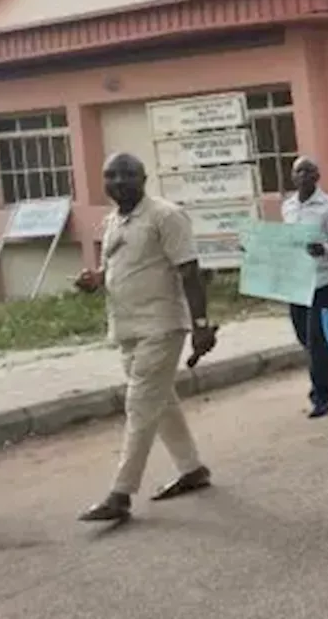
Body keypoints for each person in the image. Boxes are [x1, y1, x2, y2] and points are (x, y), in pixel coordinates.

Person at [76, 153, 217, 522]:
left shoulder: (165, 216)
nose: (118, 181)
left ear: (144, 178)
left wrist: (201, 324)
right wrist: (95, 280)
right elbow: (118, 267)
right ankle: (192, 469)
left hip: (161, 326)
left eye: (127, 175)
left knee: (139, 404)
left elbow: (189, 272)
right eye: (111, 175)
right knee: (161, 401)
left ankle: (120, 493)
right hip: (127, 328)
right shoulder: (113, 221)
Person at [282, 157, 328, 418]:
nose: (302, 175)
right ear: (292, 177)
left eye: (308, 171)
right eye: (297, 171)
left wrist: (324, 249)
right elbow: (286, 241)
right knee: (303, 336)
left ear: (317, 176)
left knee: (316, 340)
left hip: (323, 282)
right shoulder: (288, 207)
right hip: (297, 282)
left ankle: (320, 396)